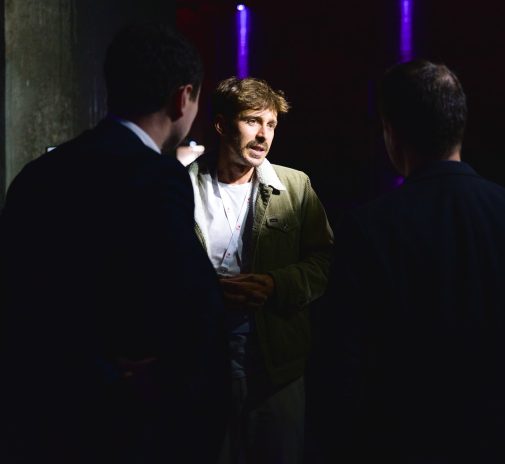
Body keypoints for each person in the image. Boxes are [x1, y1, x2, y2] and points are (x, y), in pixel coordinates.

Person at [306, 59, 505, 463]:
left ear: (391, 133)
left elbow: (342, 368)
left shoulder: (368, 229)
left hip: (406, 445)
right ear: (459, 126)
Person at [0, 24, 229, 463]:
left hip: (41, 414)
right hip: (125, 423)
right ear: (183, 98)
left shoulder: (39, 174)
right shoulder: (157, 177)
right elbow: (191, 315)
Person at [187, 77, 333, 464]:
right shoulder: (182, 187)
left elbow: (324, 261)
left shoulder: (294, 185)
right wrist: (207, 293)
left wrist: (275, 283)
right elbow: (154, 272)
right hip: (202, 365)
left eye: (270, 125)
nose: (263, 135)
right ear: (221, 125)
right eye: (253, 121)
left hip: (276, 368)